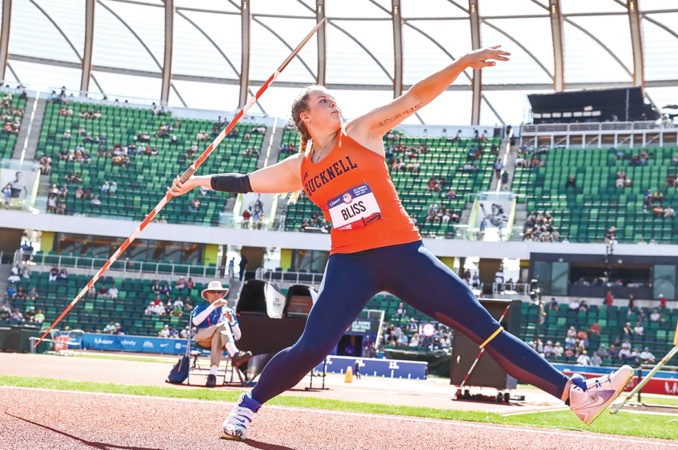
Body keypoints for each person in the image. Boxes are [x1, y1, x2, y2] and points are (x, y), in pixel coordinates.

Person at [168, 47, 632, 440]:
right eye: (324, 101)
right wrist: (196, 183)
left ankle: (575, 394)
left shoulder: (363, 132)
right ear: (305, 117)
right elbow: (246, 181)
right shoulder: (300, 167)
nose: (335, 105)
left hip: (404, 254)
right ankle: (246, 407)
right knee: (311, 347)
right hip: (350, 263)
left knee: (483, 327)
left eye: (334, 99)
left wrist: (461, 63)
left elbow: (415, 97)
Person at [191, 281, 252, 388]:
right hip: (202, 337)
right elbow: (195, 322)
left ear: (221, 294)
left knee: (217, 337)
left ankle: (212, 376)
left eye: (219, 292)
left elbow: (238, 336)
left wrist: (232, 321)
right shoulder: (200, 308)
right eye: (213, 291)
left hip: (219, 340)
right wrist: (213, 307)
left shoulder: (228, 311)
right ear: (208, 294)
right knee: (222, 325)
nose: (216, 294)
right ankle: (235, 354)